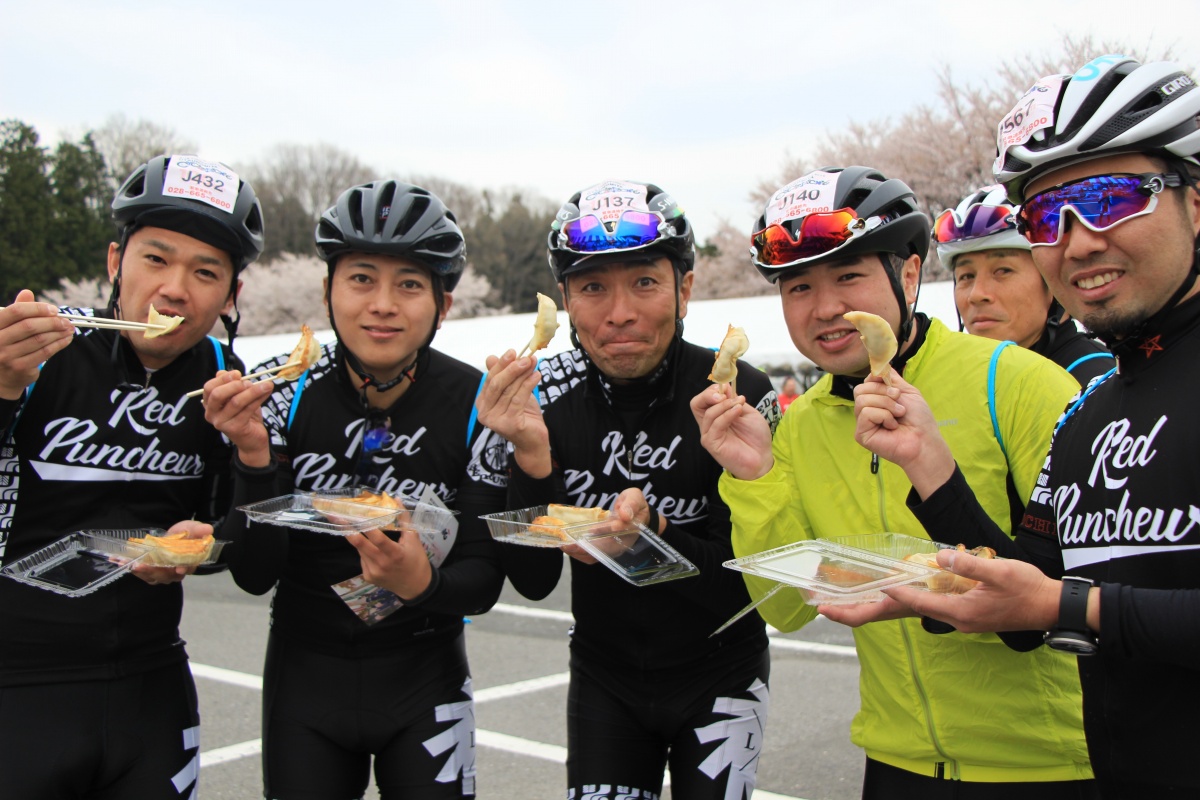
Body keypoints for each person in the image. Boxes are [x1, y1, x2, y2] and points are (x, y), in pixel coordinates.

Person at [845, 55, 1200, 797]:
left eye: (1111, 198)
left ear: (1194, 199)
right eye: (1045, 216)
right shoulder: (1087, 413)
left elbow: (1056, 604)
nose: (1077, 241)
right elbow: (1025, 610)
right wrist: (929, 466)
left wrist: (1070, 605)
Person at [691, 166, 1098, 797]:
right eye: (798, 287)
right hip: (896, 760)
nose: (825, 308)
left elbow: (1082, 590)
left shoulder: (1016, 382)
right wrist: (755, 476)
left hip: (1050, 762)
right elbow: (785, 610)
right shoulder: (800, 429)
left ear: (909, 275)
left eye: (849, 276)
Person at [204, 179, 509, 799]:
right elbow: (255, 572)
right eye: (361, 278)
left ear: (443, 306)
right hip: (304, 678)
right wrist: (255, 461)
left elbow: (483, 579)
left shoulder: (479, 404)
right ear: (327, 291)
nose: (383, 304)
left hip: (426, 676)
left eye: (410, 284)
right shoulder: (279, 395)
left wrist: (419, 583)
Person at [476, 180, 779, 800]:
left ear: (684, 289)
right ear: (564, 300)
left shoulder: (738, 389)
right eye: (592, 288)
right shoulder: (540, 395)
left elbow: (757, 588)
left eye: (644, 282)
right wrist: (532, 460)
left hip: (722, 668)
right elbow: (531, 582)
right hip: (604, 679)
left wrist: (656, 537)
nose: (619, 313)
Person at [0, 154, 264, 798]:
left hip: (152, 685)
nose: (175, 289)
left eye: (205, 272)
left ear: (231, 296)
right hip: (18, 681)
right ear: (116, 263)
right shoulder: (38, 348)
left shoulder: (228, 377)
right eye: (156, 259)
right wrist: (3, 388)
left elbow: (248, 552)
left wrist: (223, 515)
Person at [935, 184, 1113, 384]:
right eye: (966, 276)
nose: (976, 295)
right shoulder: (959, 383)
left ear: (1053, 280)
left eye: (1003, 271)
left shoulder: (1098, 380)